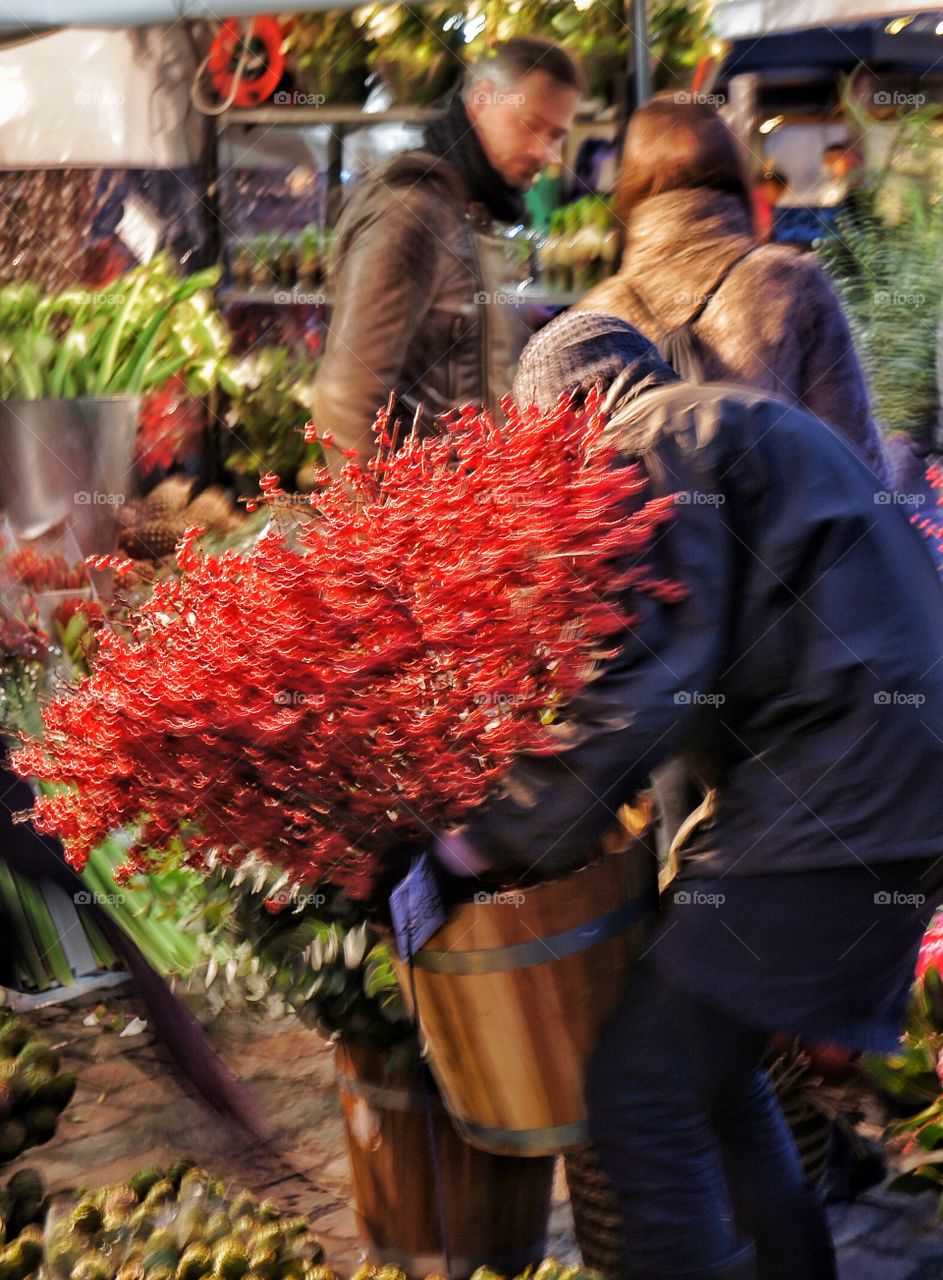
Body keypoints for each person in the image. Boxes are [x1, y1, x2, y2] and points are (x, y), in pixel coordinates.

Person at [429, 310, 943, 1280]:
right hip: (878, 775)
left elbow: (642, 686)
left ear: (567, 412)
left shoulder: (645, 446)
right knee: (711, 1073)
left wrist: (473, 843)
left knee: (640, 1089)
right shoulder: (714, 420)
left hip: (847, 788)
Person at [577, 95, 889, 486]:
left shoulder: (592, 320)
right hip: (789, 544)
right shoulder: (793, 283)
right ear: (733, 170)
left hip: (651, 547)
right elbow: (856, 458)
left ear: (629, 182)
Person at [311, 38, 582, 472]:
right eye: (534, 126)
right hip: (421, 525)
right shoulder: (412, 213)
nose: (546, 153)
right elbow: (345, 401)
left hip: (464, 519)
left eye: (558, 136)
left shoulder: (472, 211)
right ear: (482, 100)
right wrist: (383, 533)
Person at [752, 167, 788, 243]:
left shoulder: (755, 198)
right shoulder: (759, 204)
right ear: (770, 186)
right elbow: (762, 235)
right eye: (778, 192)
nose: (777, 198)